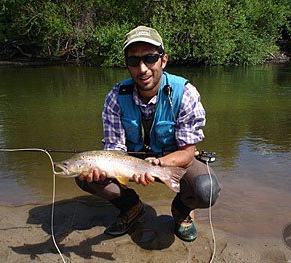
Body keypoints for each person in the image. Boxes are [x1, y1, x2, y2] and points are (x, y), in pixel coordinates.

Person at [75, 25, 221, 242]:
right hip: (129, 163)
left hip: (173, 160)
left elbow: (188, 152)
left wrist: (158, 165)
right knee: (85, 175)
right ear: (127, 65)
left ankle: (181, 212)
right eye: (134, 61)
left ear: (163, 60)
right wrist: (102, 169)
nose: (142, 68)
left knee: (205, 189)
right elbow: (114, 151)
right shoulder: (115, 97)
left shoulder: (185, 93)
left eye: (150, 58)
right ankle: (131, 207)